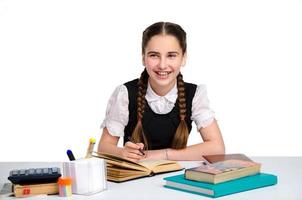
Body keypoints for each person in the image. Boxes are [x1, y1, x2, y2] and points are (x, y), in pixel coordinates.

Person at [98, 22, 225, 162]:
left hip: (176, 176)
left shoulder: (194, 94)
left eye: (171, 55)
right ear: (143, 57)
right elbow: (104, 147)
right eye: (154, 55)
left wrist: (162, 155)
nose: (162, 65)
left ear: (183, 58)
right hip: (135, 180)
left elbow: (217, 149)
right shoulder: (126, 93)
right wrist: (122, 153)